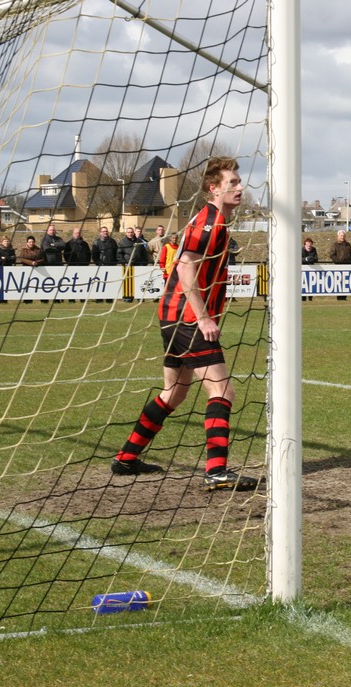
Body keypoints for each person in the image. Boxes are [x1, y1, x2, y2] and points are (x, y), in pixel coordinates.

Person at [112, 156, 259, 491]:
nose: (240, 187)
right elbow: (185, 265)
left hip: (173, 316)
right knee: (222, 390)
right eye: (232, 182)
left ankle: (126, 458)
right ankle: (216, 471)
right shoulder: (211, 221)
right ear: (213, 188)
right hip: (188, 319)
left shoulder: (212, 219)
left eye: (239, 181)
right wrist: (203, 317)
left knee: (174, 392)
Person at [329, 229, 351, 300]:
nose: (342, 237)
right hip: (339, 266)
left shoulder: (348, 244)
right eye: (341, 236)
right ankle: (339, 297)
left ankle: (344, 297)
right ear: (338, 236)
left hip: (347, 266)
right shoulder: (335, 245)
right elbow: (332, 255)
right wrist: (338, 261)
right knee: (339, 282)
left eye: (343, 236)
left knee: (346, 282)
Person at [301, 237, 318, 301]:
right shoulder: (301, 250)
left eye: (310, 244)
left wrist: (311, 259)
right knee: (303, 283)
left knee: (311, 283)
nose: (309, 246)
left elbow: (316, 258)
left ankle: (310, 298)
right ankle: (303, 298)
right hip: (303, 270)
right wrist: (305, 259)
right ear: (305, 244)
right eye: (307, 244)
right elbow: (299, 259)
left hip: (311, 269)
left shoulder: (314, 249)